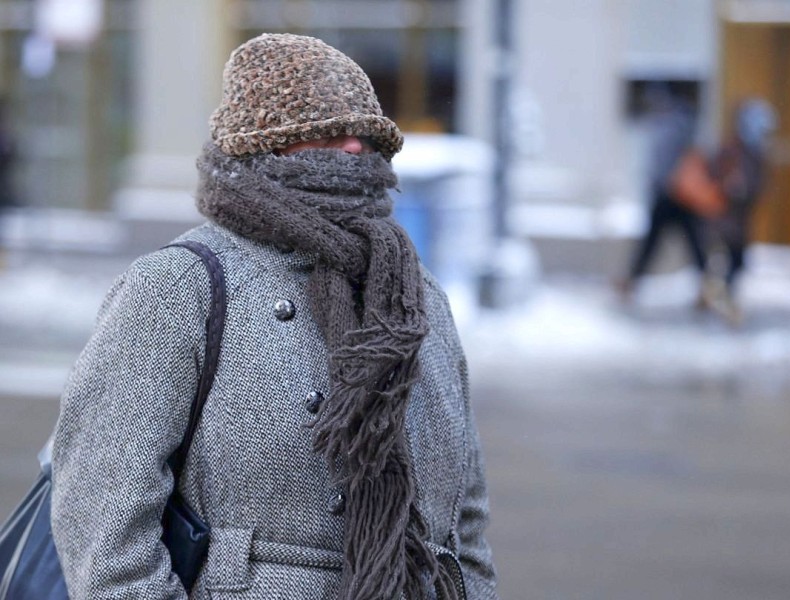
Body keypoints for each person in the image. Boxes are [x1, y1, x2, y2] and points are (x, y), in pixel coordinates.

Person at [50, 34, 497, 599]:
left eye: (363, 133)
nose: (353, 148)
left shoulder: (413, 295)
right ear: (262, 148)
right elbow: (101, 517)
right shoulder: (178, 287)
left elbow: (466, 521)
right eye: (324, 132)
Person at [619, 88, 708, 297]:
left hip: (675, 194)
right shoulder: (673, 124)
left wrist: (664, 183)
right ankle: (706, 284)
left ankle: (707, 285)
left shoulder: (675, 125)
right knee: (684, 241)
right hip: (672, 194)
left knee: (685, 241)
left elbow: (671, 162)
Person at [707, 98, 776, 322]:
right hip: (725, 219)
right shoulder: (734, 149)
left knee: (735, 261)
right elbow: (716, 173)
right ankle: (723, 301)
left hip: (738, 219)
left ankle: (719, 296)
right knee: (730, 260)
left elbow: (757, 185)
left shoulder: (754, 152)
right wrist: (731, 185)